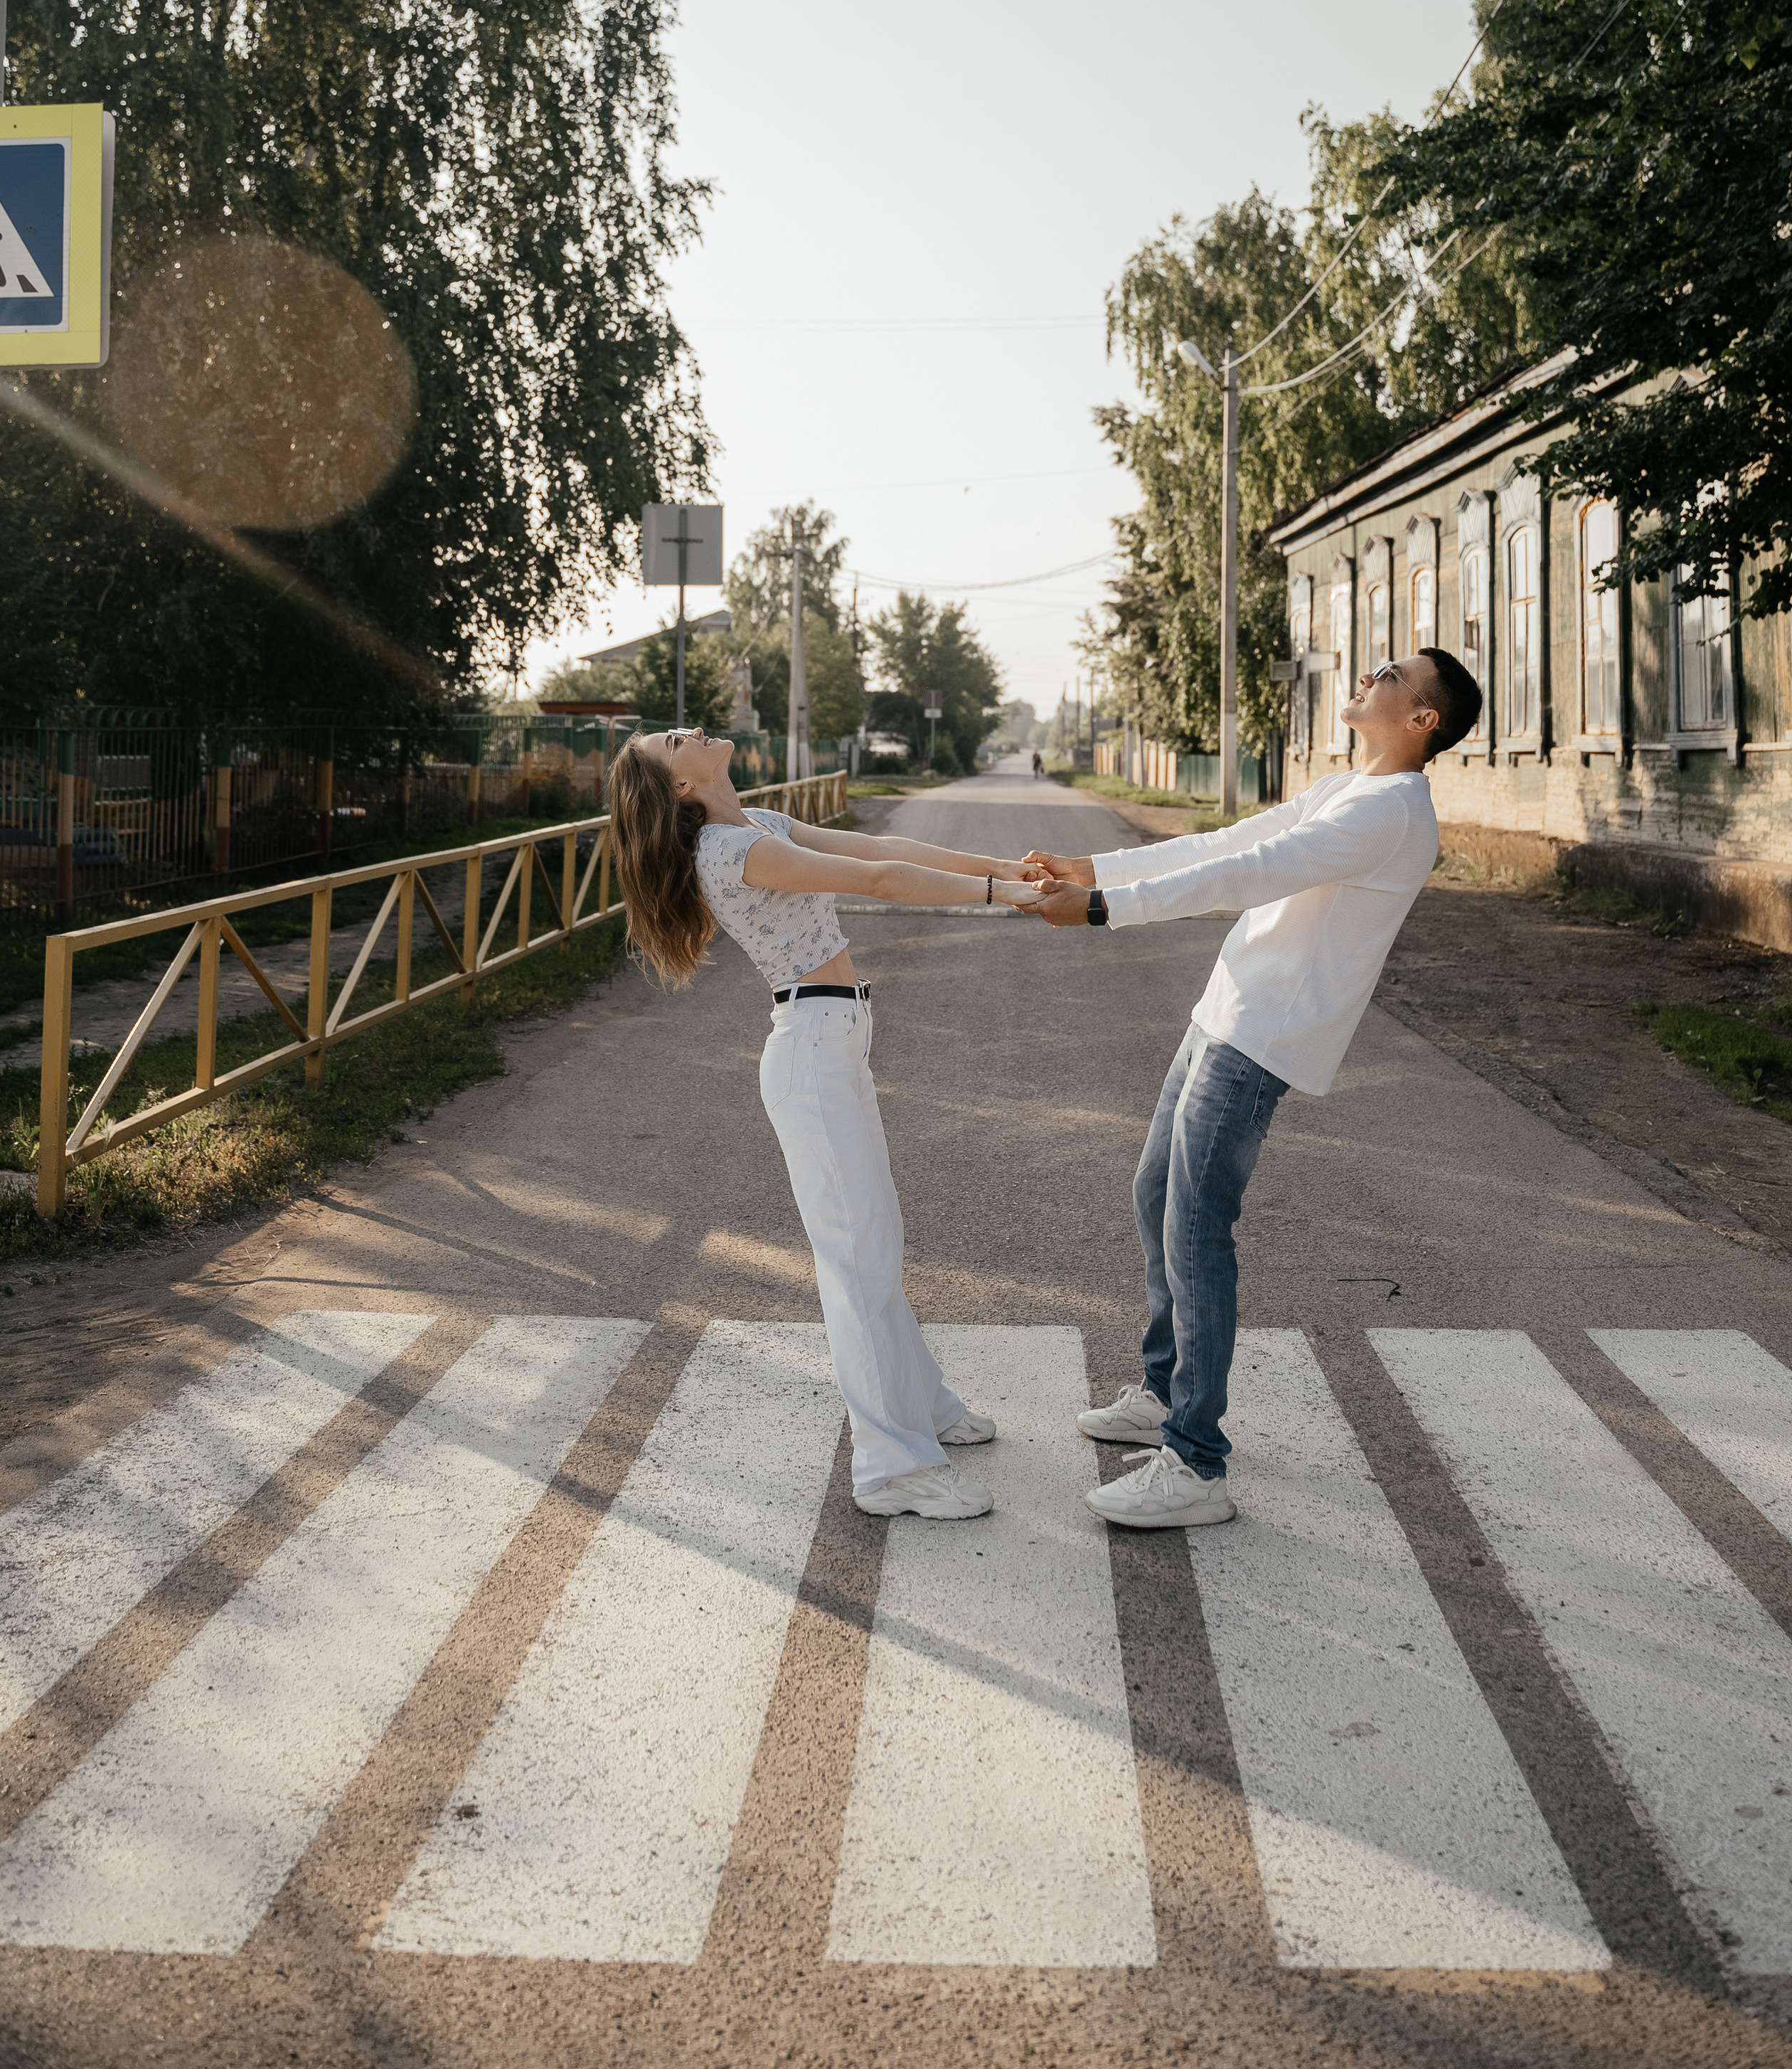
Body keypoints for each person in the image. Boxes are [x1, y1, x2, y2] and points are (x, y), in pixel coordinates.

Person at [1025, 649, 1483, 1532]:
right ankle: (1164, 1396)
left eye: (1391, 673)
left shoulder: (1389, 812)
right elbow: (1231, 843)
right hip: (1224, 1013)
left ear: (1422, 719)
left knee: (1197, 1225)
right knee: (1156, 1191)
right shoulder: (1349, 788)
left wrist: (1099, 910)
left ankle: (1195, 1462)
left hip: (1261, 1038)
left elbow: (1247, 877)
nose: (1370, 674)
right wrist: (1094, 869)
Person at [606, 728, 1043, 1520]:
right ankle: (891, 1469)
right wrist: (1001, 898)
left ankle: (925, 1407)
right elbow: (877, 877)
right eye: (675, 740)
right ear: (678, 788)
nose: (691, 727)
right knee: (857, 1257)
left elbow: (893, 846)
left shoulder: (762, 825)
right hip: (810, 1050)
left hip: (834, 1039)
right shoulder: (729, 853)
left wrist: (1002, 869)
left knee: (875, 1239)